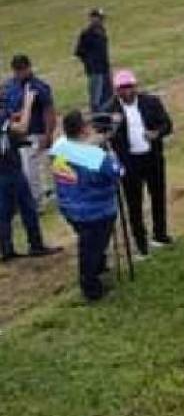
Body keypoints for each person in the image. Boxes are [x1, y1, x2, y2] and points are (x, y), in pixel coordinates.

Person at [50, 111, 118, 300]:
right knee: (91, 248)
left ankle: (97, 270)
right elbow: (116, 171)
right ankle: (91, 287)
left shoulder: (59, 146)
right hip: (96, 210)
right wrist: (108, 151)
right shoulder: (94, 155)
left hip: (68, 205)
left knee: (89, 245)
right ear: (82, 129)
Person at [105, 70, 173, 255]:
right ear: (116, 90)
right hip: (130, 163)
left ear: (135, 87)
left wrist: (156, 133)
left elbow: (167, 124)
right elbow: (104, 136)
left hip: (152, 158)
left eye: (130, 87)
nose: (127, 92)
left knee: (158, 196)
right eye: (122, 88)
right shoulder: (110, 110)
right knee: (134, 204)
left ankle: (160, 234)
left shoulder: (151, 102)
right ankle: (141, 243)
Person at [1, 87, 60, 263]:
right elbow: (22, 128)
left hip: (6, 166)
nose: (3, 91)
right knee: (26, 206)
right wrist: (27, 104)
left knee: (5, 211)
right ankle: (35, 244)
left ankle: (7, 249)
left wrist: (14, 116)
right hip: (8, 168)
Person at [4, 55, 56, 209]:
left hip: (35, 132)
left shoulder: (38, 87)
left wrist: (48, 134)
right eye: (16, 71)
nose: (19, 74)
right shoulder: (10, 86)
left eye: (21, 70)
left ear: (28, 68)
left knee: (32, 169)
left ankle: (37, 201)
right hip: (16, 136)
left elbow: (49, 111)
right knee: (24, 170)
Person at [74, 8, 112, 113]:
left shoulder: (102, 31)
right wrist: (89, 63)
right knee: (96, 97)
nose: (101, 20)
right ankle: (97, 116)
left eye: (101, 18)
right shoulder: (87, 34)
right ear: (92, 18)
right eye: (98, 18)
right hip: (95, 70)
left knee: (108, 94)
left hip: (105, 68)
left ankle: (107, 114)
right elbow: (79, 52)